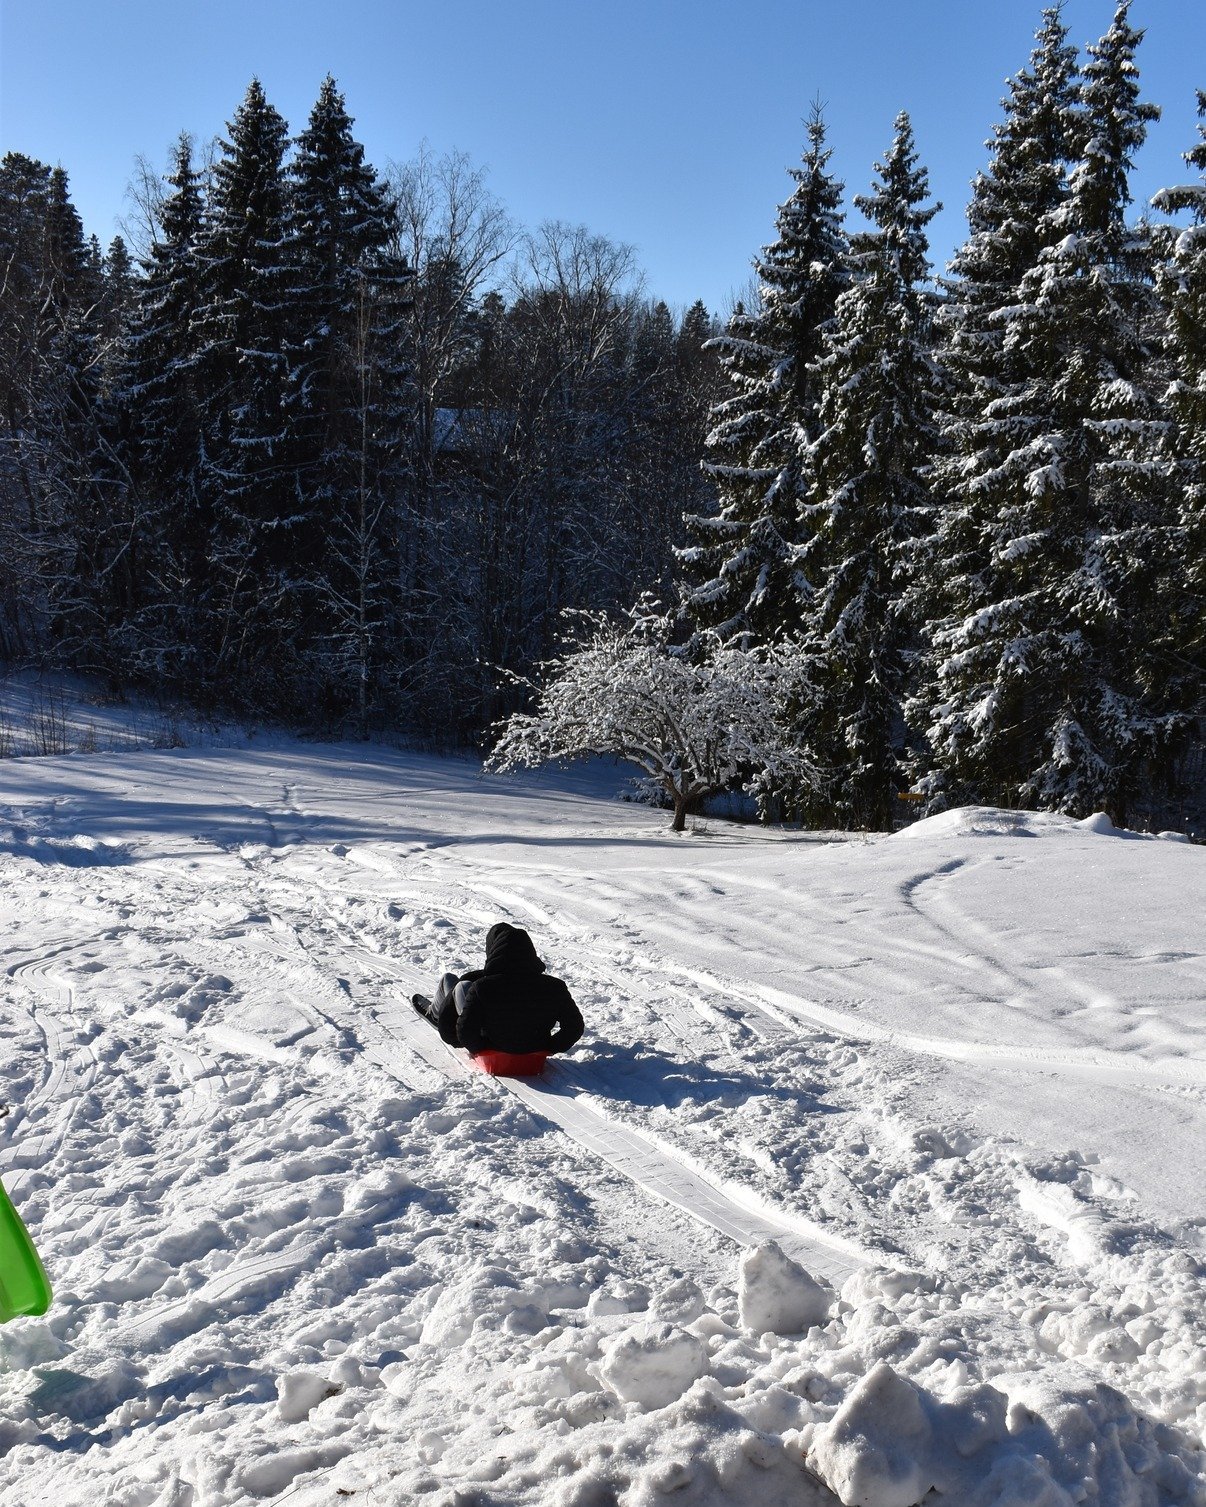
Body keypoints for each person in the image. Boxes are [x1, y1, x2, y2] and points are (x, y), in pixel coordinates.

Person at [412, 922, 584, 1056]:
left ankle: (434, 1013)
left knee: (450, 981)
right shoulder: (555, 986)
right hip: (535, 1048)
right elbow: (574, 1027)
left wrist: (481, 1049)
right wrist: (548, 1048)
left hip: (491, 1046)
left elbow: (463, 1032)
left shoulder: (483, 987)